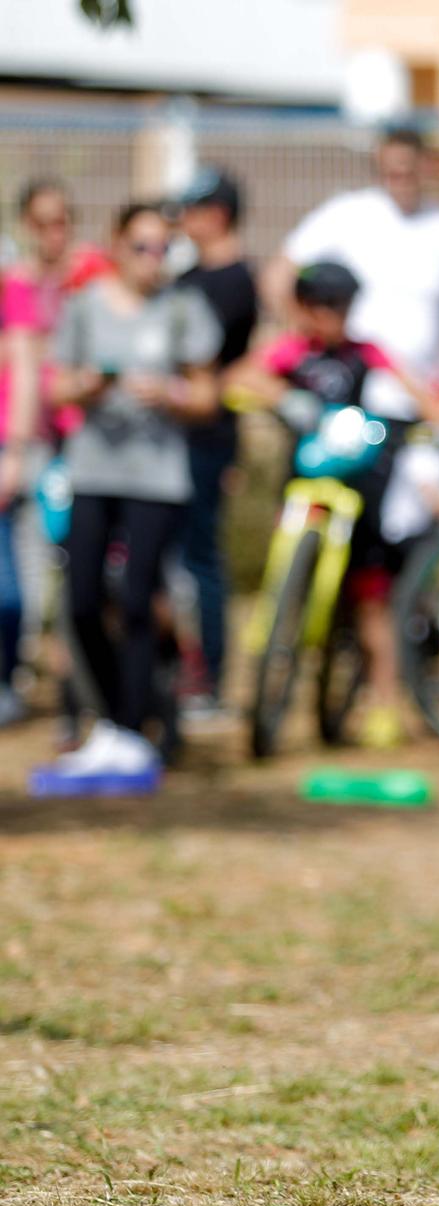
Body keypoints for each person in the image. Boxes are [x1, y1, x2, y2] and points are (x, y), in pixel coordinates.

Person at [45, 202, 223, 782]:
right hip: (95, 470)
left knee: (142, 596)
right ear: (116, 245)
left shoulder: (181, 309)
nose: (152, 259)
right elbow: (57, 388)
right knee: (81, 601)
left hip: (156, 476)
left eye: (161, 248)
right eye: (141, 246)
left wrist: (171, 394)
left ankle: (130, 728)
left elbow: (207, 395)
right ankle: (117, 712)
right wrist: (88, 386)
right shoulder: (85, 306)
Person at [226, 262, 437, 749]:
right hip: (305, 488)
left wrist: (426, 420)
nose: (333, 317)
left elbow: (419, 393)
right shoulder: (292, 352)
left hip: (359, 492)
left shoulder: (366, 354)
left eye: (342, 307)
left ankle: (385, 704)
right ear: (303, 307)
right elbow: (240, 377)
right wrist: (282, 396)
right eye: (323, 306)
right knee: (285, 584)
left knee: (369, 600)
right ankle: (275, 675)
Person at [265, 126, 439, 422]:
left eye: (405, 171)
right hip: (351, 396)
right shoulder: (348, 213)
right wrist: (309, 331)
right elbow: (278, 276)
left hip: (419, 392)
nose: (396, 180)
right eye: (387, 171)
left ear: (428, 166)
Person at [2, 180, 109, 729]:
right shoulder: (19, 283)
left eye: (63, 220)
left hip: (89, 439)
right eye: (43, 223)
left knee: (82, 563)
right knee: (41, 561)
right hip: (41, 440)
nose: (55, 233)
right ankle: (37, 674)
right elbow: (23, 361)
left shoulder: (90, 272)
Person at [171, 167, 258, 720]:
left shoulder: (232, 282)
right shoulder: (189, 277)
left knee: (201, 561)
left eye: (191, 208)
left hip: (207, 440)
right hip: (173, 437)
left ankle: (210, 682)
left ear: (217, 214)